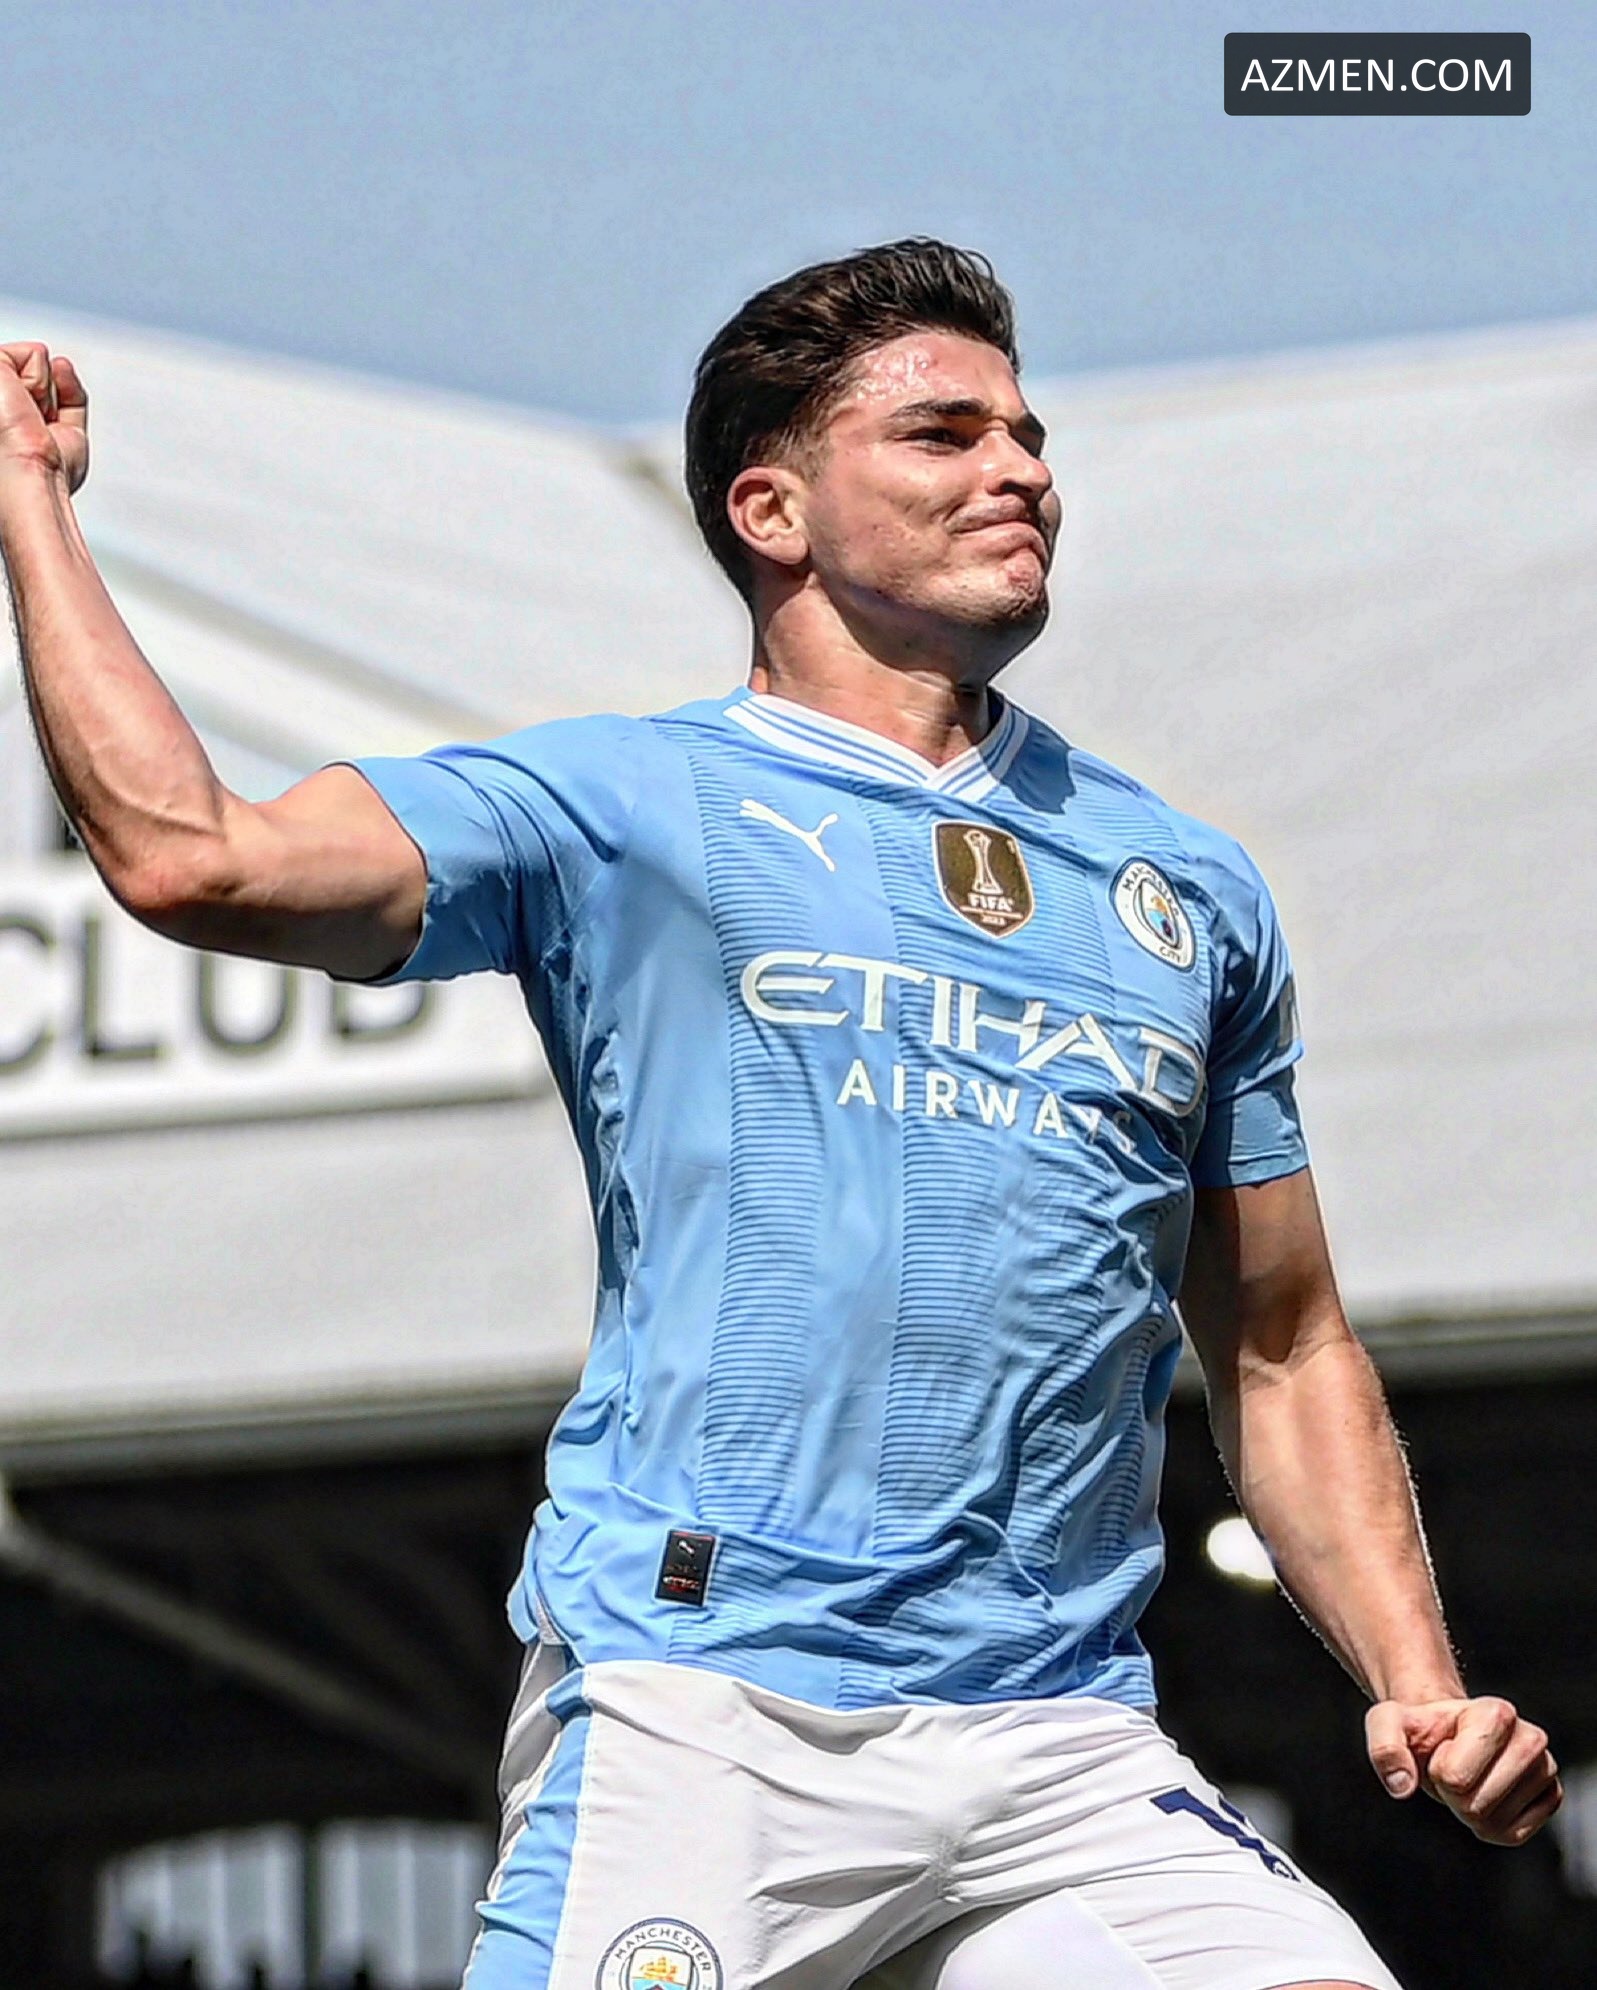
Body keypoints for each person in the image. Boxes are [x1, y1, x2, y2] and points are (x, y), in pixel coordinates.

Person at [0, 240, 1562, 1990]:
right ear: (772, 509)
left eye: (1028, 436)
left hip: (1059, 1735)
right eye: (942, 434)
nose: (1019, 470)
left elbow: (1278, 1336)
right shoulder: (617, 802)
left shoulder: (1182, 886)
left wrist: (1417, 1681)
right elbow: (191, 853)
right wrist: (29, 506)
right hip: (710, 1706)